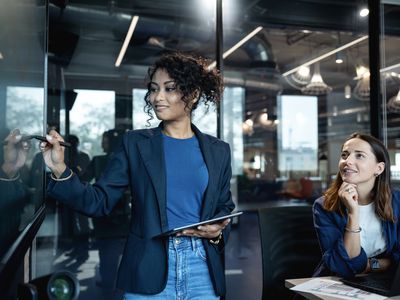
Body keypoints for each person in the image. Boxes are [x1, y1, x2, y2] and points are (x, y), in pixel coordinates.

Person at [40, 52, 235, 299]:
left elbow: (224, 207)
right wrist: (59, 168)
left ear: (193, 94)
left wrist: (217, 232)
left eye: (169, 89)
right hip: (148, 267)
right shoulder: (135, 144)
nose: (157, 97)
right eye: (154, 89)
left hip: (202, 268)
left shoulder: (218, 151)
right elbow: (98, 201)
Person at [313, 132, 400, 279]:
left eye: (359, 155)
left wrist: (370, 265)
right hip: (336, 283)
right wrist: (353, 213)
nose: (347, 161)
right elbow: (343, 266)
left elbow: (398, 260)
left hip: (386, 280)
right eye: (345, 155)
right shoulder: (324, 206)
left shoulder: (396, 201)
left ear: (378, 168)